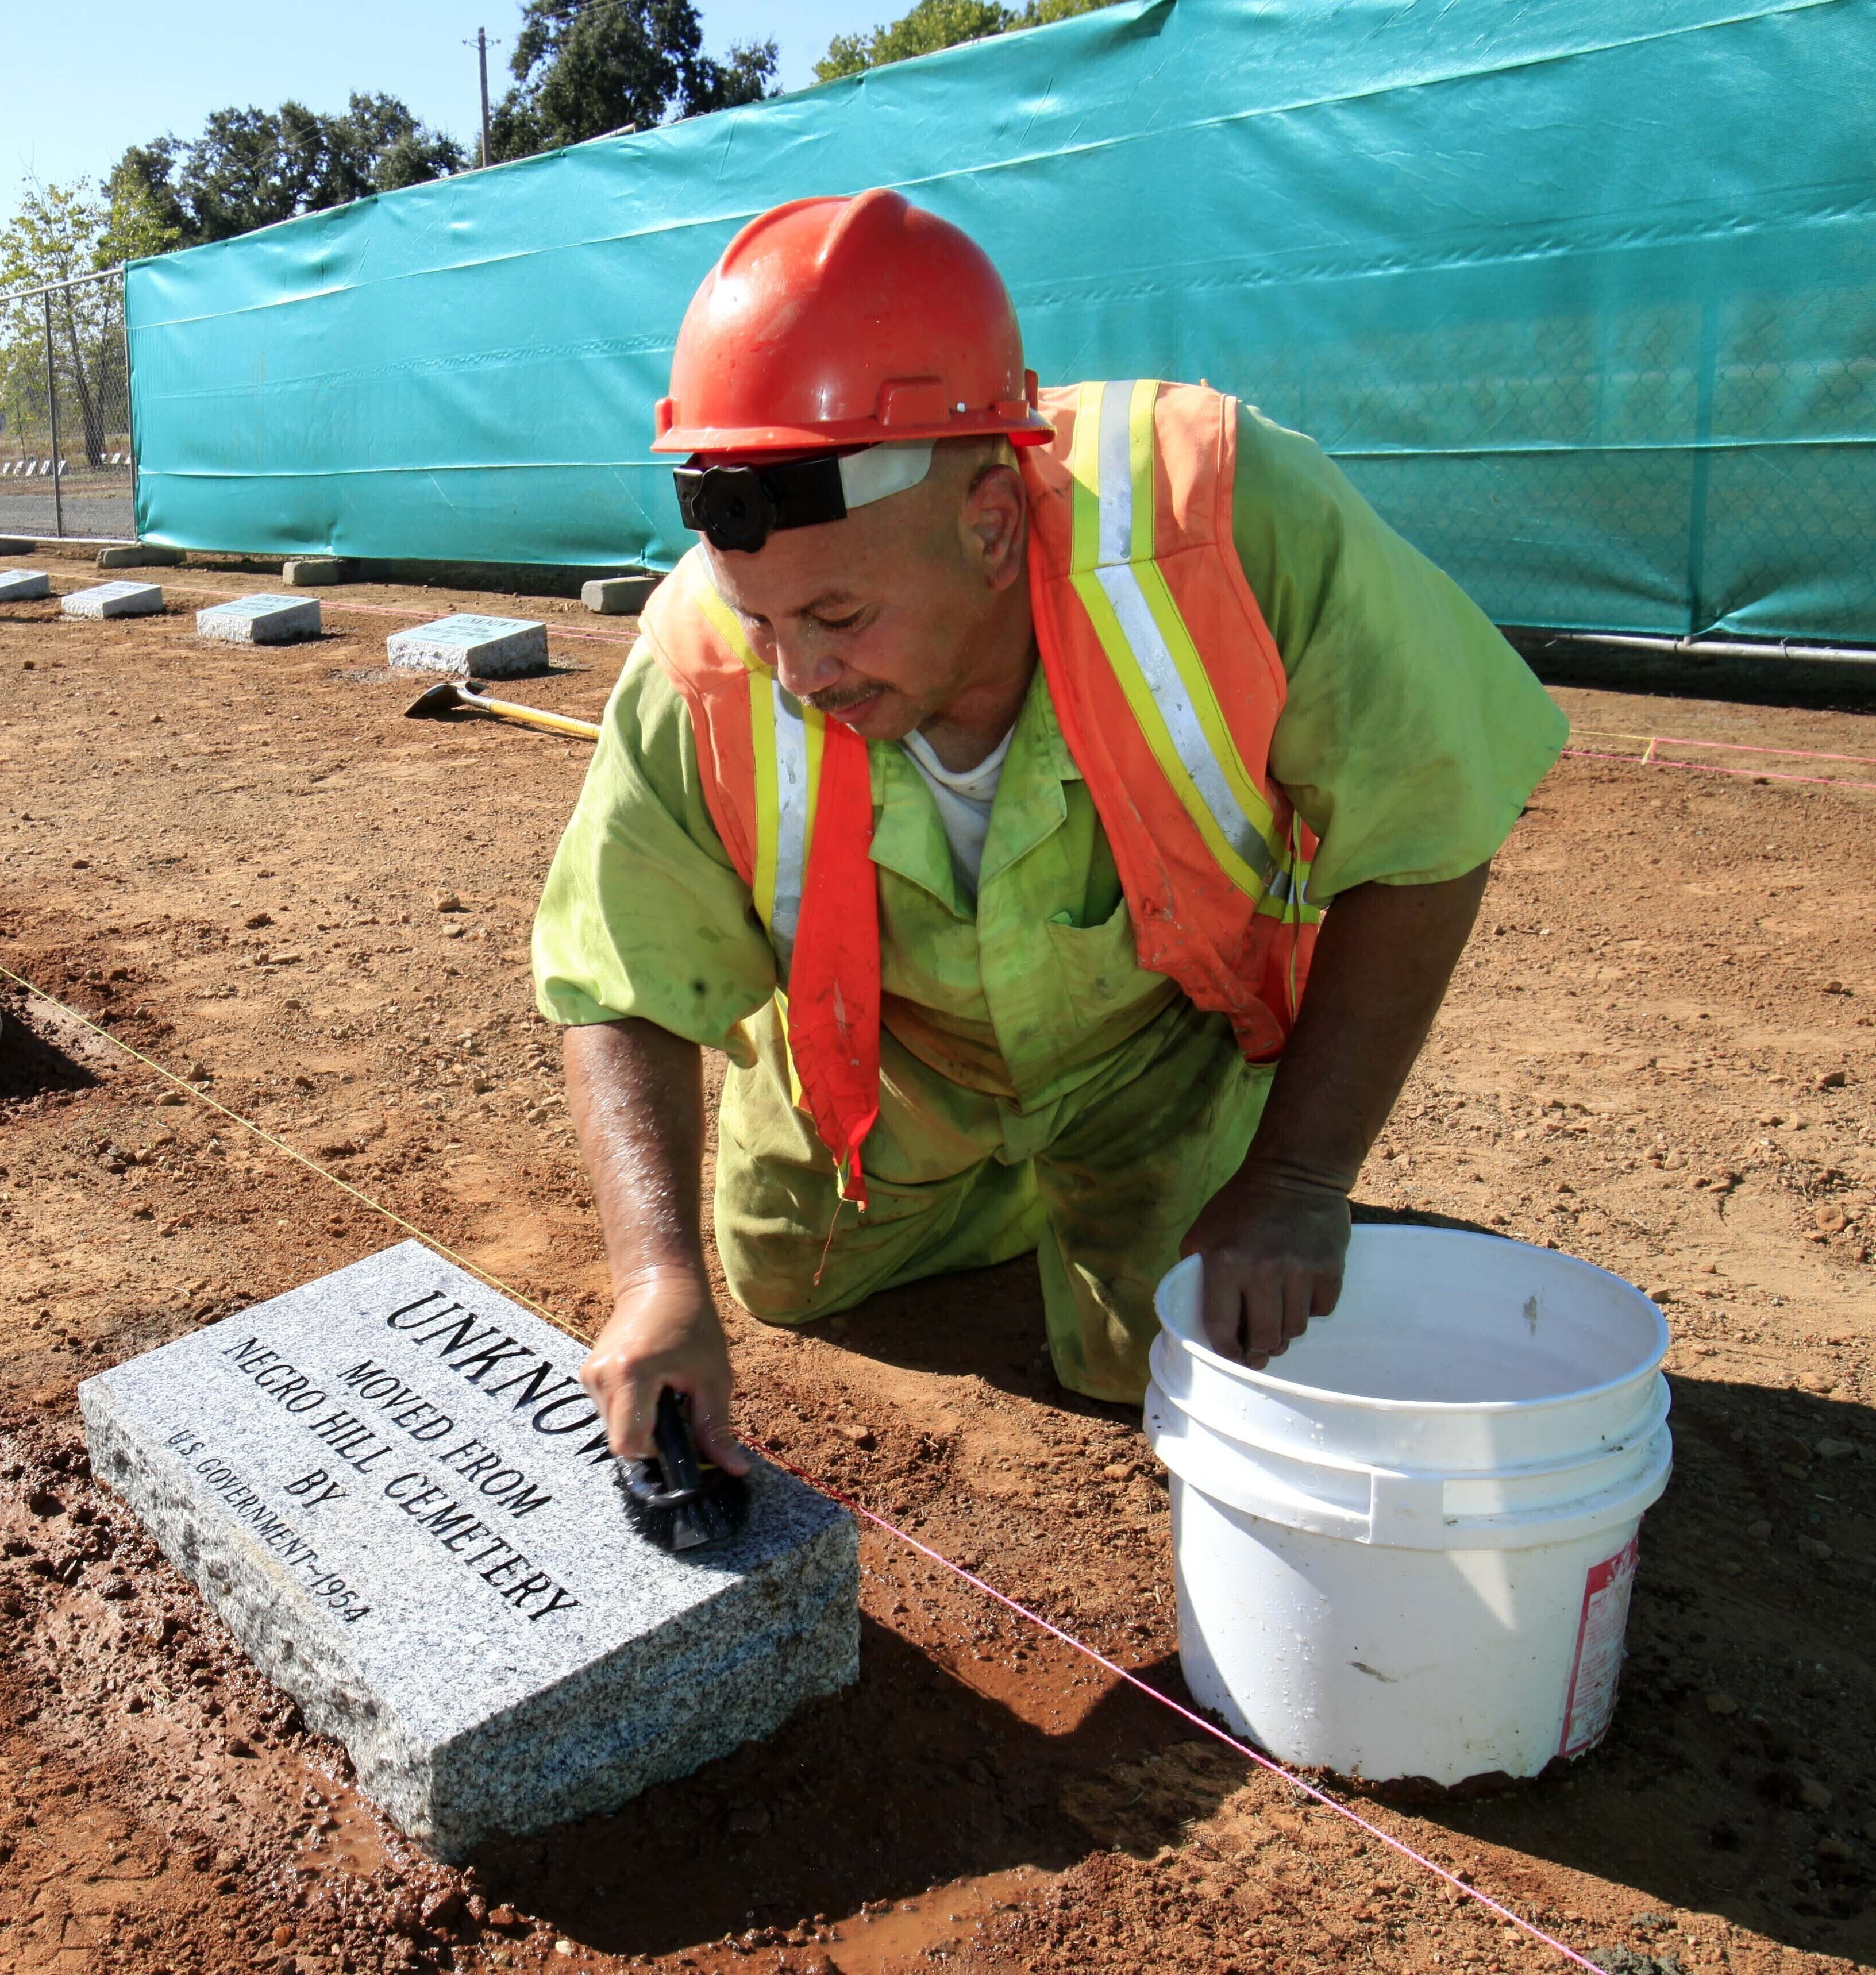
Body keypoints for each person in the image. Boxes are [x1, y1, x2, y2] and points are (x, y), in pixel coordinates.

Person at [536, 191, 1569, 1472]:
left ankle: (1175, 1172)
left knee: (1196, 1358)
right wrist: (654, 1279)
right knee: (777, 1280)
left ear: (989, 521)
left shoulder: (1224, 524)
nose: (796, 674)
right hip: (897, 1067)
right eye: (764, 621)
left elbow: (1427, 827)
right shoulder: (703, 650)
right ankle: (985, 1183)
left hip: (1161, 1047)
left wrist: (1298, 1183)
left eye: (841, 617)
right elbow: (616, 969)